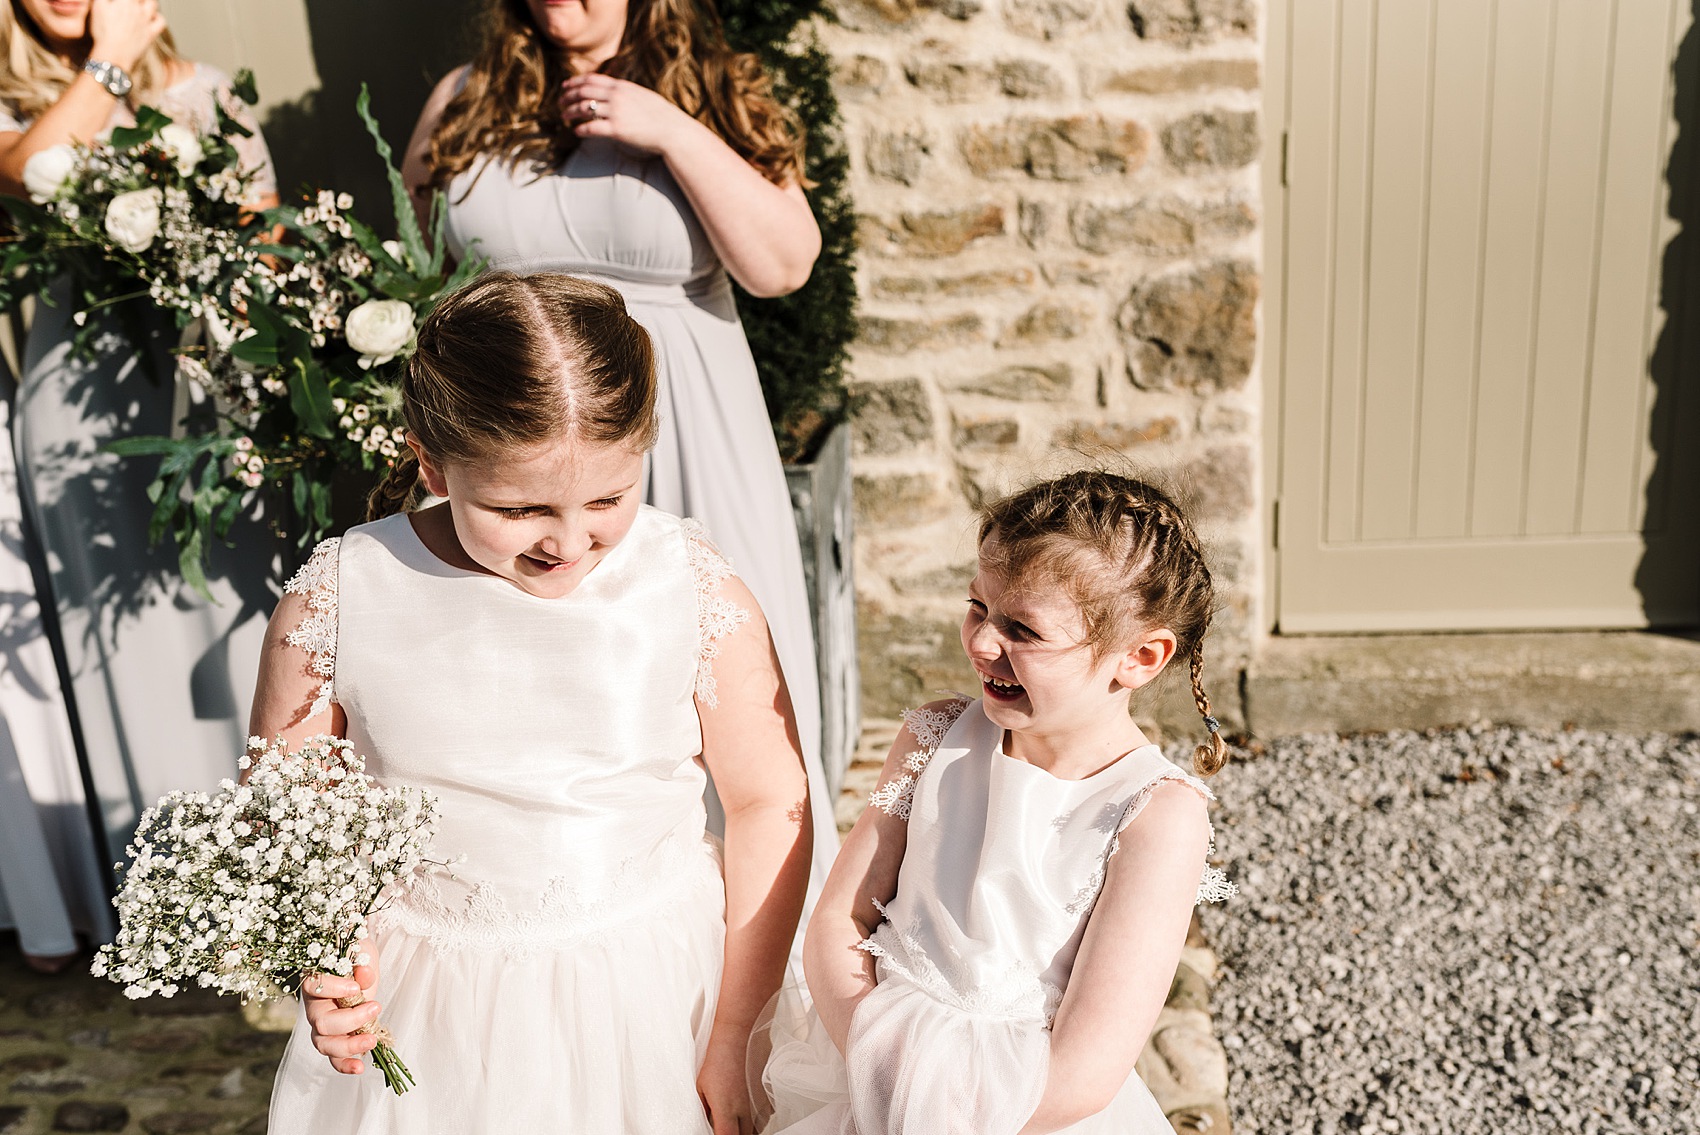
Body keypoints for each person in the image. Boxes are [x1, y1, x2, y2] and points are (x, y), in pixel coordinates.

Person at [257, 273, 812, 1133]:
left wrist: (738, 1026)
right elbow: (291, 810)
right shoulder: (341, 596)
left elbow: (768, 799)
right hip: (431, 999)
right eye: (519, 508)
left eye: (607, 499)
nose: (566, 541)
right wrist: (323, 959)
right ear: (432, 463)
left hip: (657, 989)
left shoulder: (693, 589)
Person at [398, 0, 838, 911]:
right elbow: (407, 261)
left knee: (710, 670)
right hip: (518, 436)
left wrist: (669, 129)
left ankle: (749, 924)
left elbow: (784, 266)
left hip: (683, 424)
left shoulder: (707, 87)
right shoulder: (465, 100)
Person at [761, 472, 1237, 1134]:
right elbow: (839, 920)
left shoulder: (1156, 816)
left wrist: (943, 1117)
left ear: (1139, 656)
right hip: (874, 1084)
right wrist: (881, 1069)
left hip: (1023, 1117)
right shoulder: (933, 739)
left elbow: (1087, 1067)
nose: (984, 642)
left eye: (1024, 629)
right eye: (978, 606)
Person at [0, 0, 279, 966]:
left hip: (206, 393)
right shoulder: (13, 103)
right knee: (121, 651)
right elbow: (27, 178)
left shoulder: (208, 94)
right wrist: (113, 56)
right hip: (79, 406)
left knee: (235, 640)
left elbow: (263, 234)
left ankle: (279, 888)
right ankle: (173, 908)